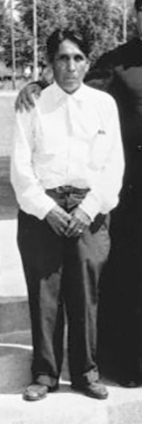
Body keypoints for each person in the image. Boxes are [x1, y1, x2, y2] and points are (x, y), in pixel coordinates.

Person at [15, 0, 142, 387]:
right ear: (136, 15)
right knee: (138, 270)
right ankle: (133, 361)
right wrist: (35, 84)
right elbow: (73, 82)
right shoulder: (115, 61)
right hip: (136, 182)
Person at [10, 29, 124, 402]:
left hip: (89, 211)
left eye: (77, 58)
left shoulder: (104, 104)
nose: (70, 65)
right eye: (62, 57)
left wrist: (89, 209)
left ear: (88, 62)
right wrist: (47, 209)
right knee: (45, 295)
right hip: (42, 210)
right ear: (50, 62)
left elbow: (113, 166)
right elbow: (21, 168)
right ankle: (44, 374)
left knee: (85, 295)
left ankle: (85, 372)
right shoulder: (33, 103)